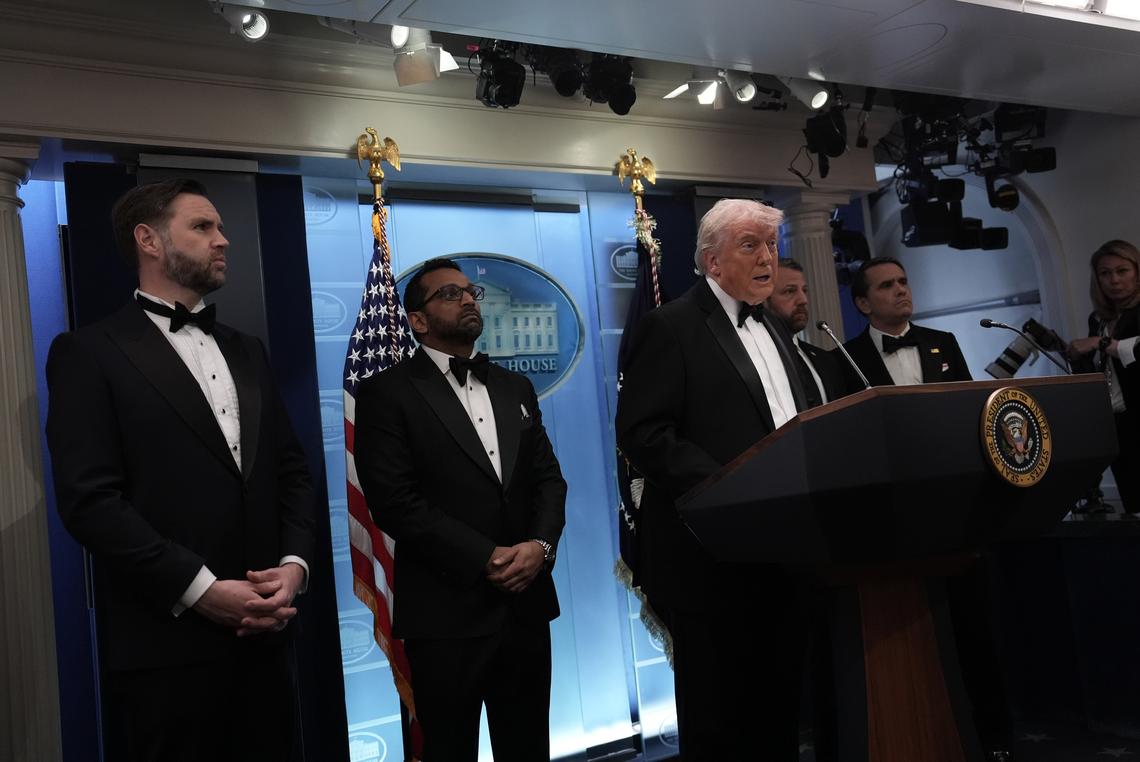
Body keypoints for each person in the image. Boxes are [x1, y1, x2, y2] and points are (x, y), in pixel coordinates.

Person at [45, 179, 316, 762]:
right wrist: (201, 590)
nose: (223, 240)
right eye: (203, 227)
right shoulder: (88, 353)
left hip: (271, 634)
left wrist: (293, 568)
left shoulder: (249, 349)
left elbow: (290, 471)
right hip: (166, 648)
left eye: (219, 227)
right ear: (148, 239)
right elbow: (90, 501)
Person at [616, 199, 809, 759]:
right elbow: (644, 433)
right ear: (712, 260)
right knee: (719, 721)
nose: (766, 257)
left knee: (779, 712)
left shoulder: (773, 325)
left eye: (771, 244)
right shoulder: (670, 326)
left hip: (785, 549)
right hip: (710, 558)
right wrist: (735, 482)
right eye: (750, 245)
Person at [353, 258, 567, 762]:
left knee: (529, 747)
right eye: (450, 293)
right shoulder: (386, 394)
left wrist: (540, 547)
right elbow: (395, 503)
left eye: (471, 292)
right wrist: (486, 557)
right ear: (418, 320)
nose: (469, 299)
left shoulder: (515, 387)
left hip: (526, 609)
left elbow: (549, 481)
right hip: (446, 615)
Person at [1068, 239, 1140, 513]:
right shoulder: (1097, 318)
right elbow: (1101, 372)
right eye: (1105, 273)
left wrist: (1099, 343)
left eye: (1122, 271)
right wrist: (1077, 355)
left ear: (1137, 272)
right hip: (1116, 423)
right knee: (1133, 506)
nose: (1114, 280)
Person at [842, 257, 972, 386]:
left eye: (903, 282)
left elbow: (970, 397)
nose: (901, 290)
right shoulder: (846, 358)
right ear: (864, 304)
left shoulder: (944, 341)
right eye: (887, 285)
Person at [767, 257, 855, 404]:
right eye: (790, 291)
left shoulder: (826, 360)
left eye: (805, 291)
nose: (803, 300)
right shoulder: (758, 356)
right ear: (764, 299)